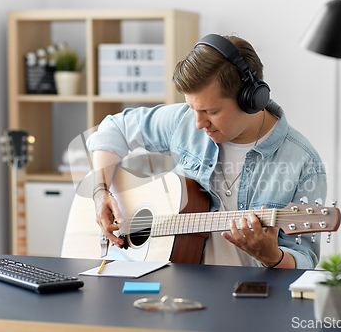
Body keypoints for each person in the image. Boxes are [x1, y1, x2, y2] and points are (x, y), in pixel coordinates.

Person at [87, 34, 327, 269]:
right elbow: (113, 128)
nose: (198, 124)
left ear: (251, 100)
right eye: (192, 108)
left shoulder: (303, 163)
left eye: (211, 112)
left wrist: (273, 257)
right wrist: (101, 192)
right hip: (178, 292)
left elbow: (304, 258)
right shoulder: (183, 121)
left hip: (253, 300)